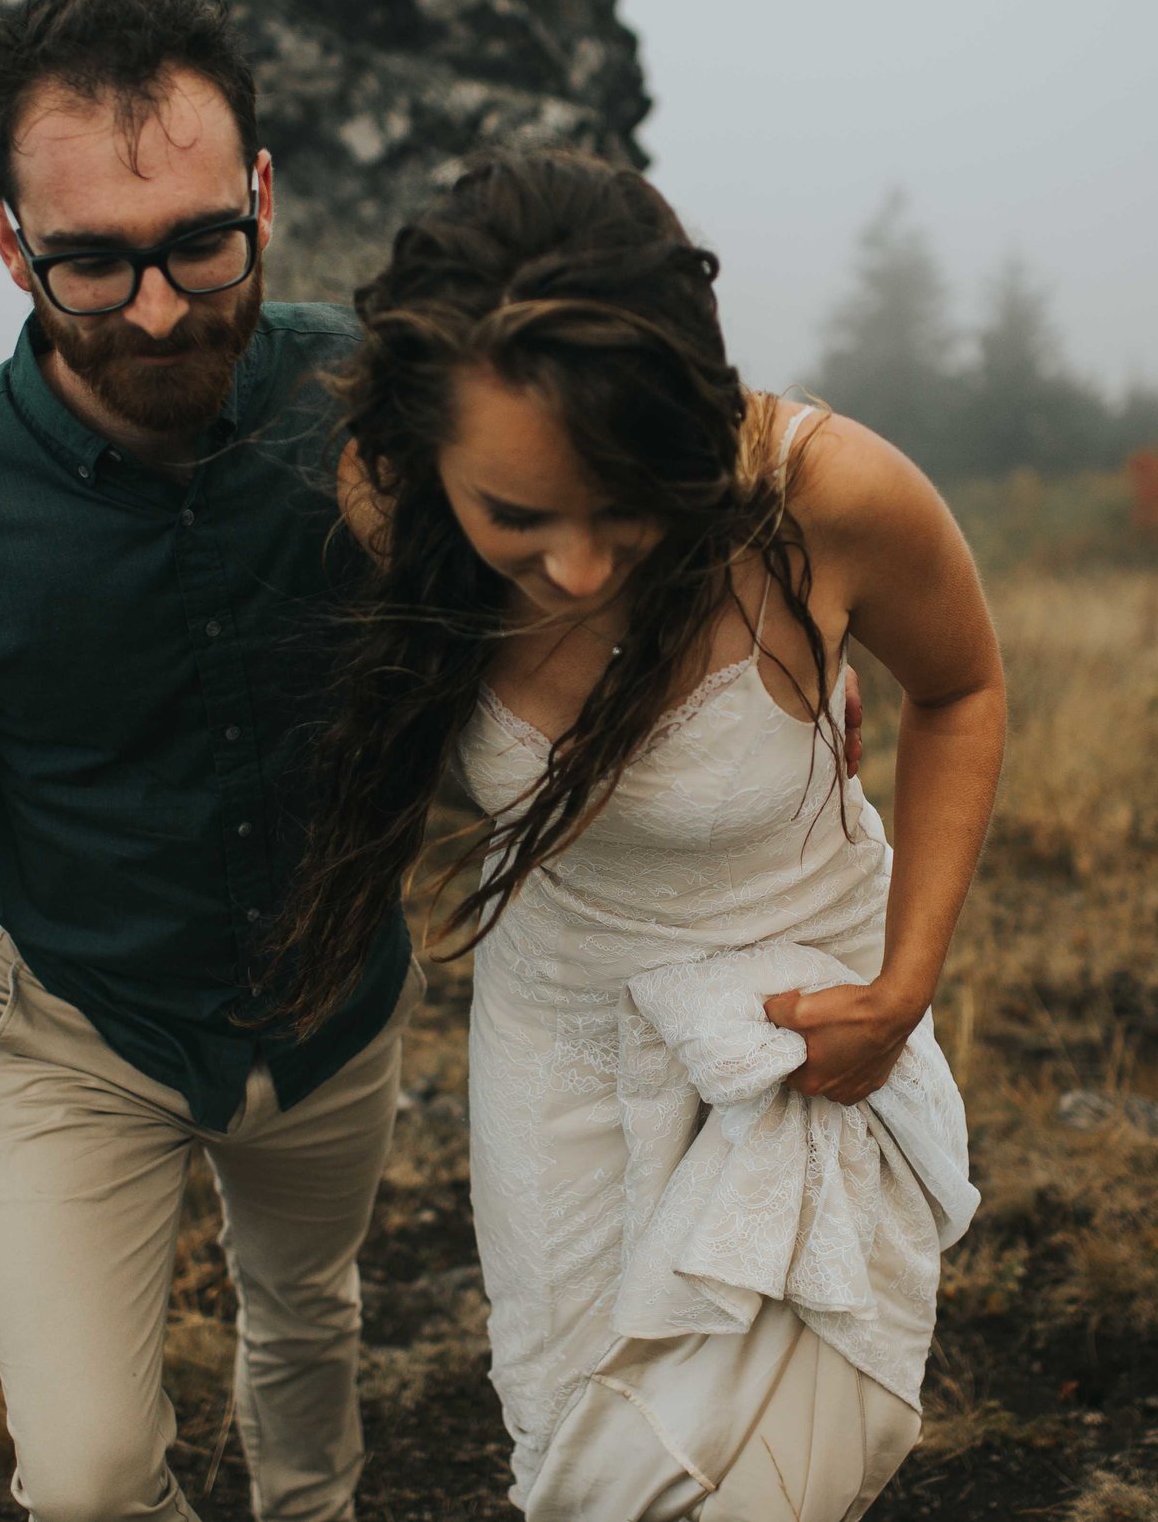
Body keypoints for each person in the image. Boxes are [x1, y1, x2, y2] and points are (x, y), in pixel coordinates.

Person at [271, 150, 1009, 1521]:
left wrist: (904, 993)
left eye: (627, 508)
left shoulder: (821, 497)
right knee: (573, 1466)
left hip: (801, 1040)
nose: (581, 569)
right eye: (518, 517)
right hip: (556, 1044)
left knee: (768, 1486)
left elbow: (962, 689)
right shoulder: (392, 506)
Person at [0, 0, 422, 1522]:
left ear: (262, 197)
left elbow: (569, 547)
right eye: (90, 263)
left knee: (309, 1314)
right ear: (11, 243)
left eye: (197, 247)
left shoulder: (376, 400)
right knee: (85, 1482)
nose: (155, 308)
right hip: (82, 1029)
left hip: (335, 1001)